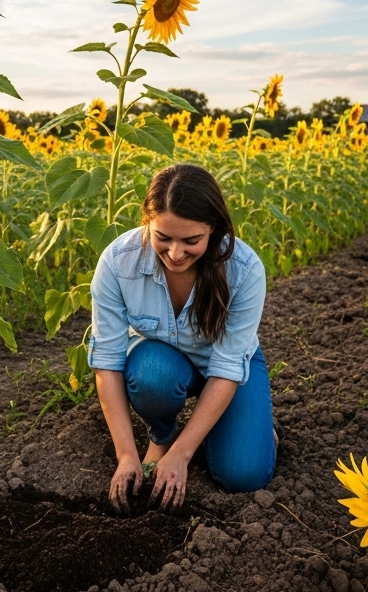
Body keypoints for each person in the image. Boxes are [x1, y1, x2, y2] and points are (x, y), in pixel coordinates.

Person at [89, 163, 275, 512]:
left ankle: (248, 429)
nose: (175, 253)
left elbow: (227, 367)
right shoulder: (118, 263)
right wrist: (126, 455)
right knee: (150, 375)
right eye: (163, 237)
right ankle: (162, 436)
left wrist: (183, 457)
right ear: (147, 221)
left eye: (192, 241)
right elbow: (107, 361)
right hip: (163, 363)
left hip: (226, 372)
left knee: (244, 474)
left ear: (214, 230)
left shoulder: (244, 270)